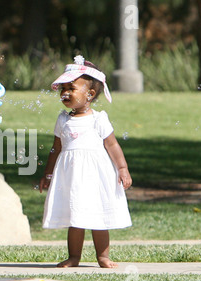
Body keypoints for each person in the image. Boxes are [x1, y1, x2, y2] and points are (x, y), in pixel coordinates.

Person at [39, 55, 132, 268]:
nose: (65, 93)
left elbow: (112, 145)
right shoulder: (63, 119)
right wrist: (48, 174)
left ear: (89, 94)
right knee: (76, 217)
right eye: (63, 89)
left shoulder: (98, 119)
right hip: (71, 177)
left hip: (96, 176)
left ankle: (103, 256)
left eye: (71, 88)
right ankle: (74, 256)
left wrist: (122, 168)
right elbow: (56, 148)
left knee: (98, 216)